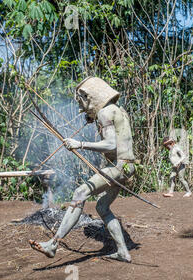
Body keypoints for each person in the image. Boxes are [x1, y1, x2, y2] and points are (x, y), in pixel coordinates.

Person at [29, 77, 136, 263]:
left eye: (82, 101)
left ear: (90, 97)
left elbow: (111, 144)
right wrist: (92, 118)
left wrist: (80, 144)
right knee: (102, 207)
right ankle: (123, 252)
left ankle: (53, 244)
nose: (82, 107)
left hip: (118, 166)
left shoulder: (105, 112)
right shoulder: (117, 110)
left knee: (80, 192)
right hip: (128, 166)